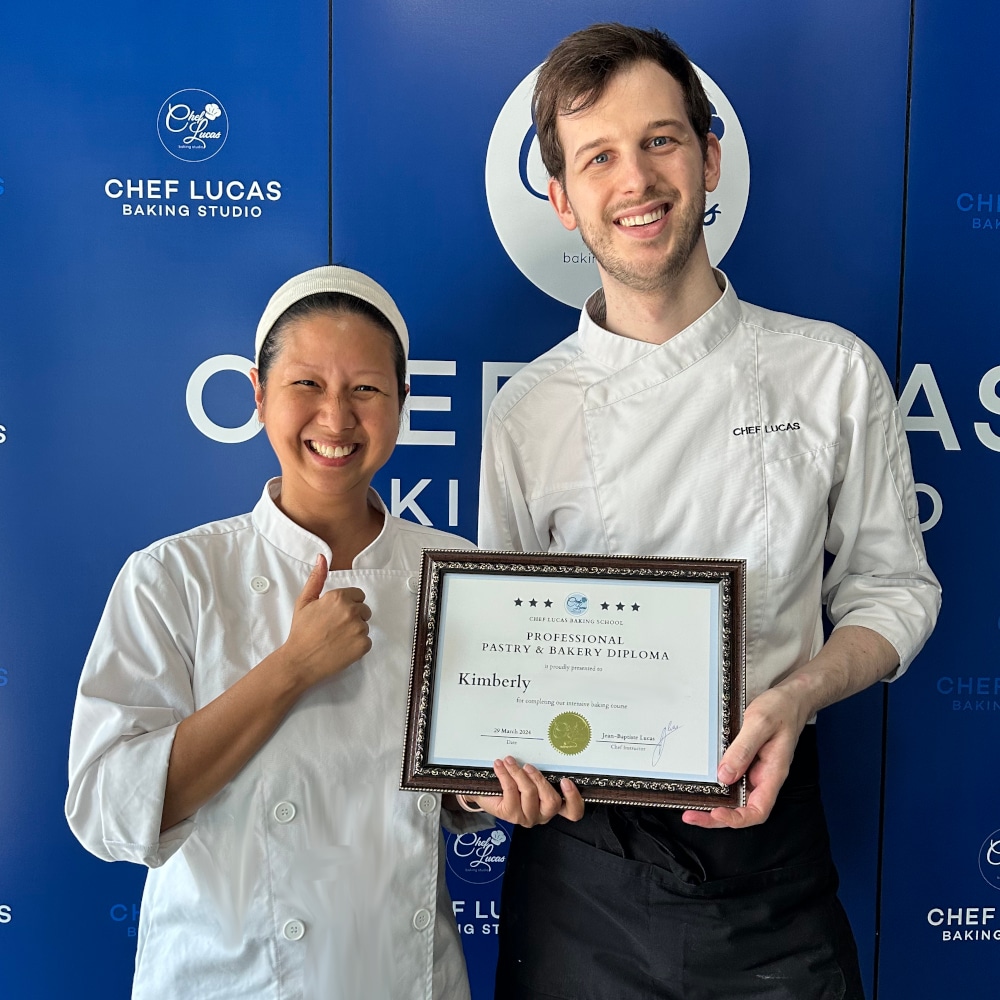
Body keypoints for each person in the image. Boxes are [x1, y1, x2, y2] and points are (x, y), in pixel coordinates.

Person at [478, 23, 941, 1000]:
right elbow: (503, 659)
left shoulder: (831, 373)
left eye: (659, 141)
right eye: (597, 156)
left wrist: (798, 693)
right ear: (560, 198)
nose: (635, 179)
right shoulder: (526, 413)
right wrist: (495, 758)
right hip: (582, 875)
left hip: (772, 860)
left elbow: (894, 591)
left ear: (709, 156)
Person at [65, 265, 577, 1000]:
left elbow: (454, 784)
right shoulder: (174, 576)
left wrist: (478, 794)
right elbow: (108, 813)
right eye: (306, 384)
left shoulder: (457, 572)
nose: (336, 420)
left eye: (366, 390)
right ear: (257, 395)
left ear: (402, 401)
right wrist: (292, 669)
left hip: (401, 977)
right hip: (225, 978)